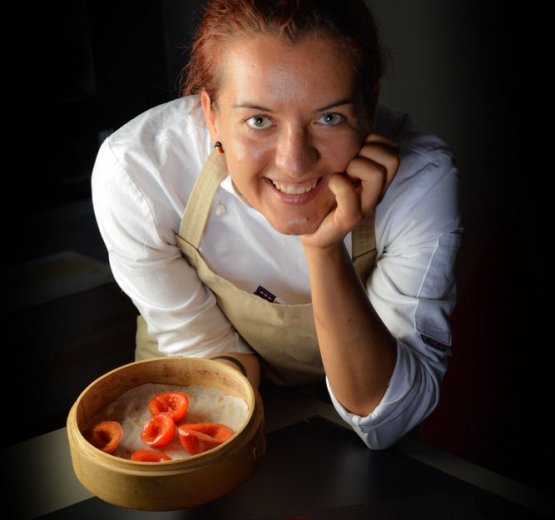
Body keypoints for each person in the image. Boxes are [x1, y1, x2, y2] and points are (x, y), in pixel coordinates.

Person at [91, 0, 461, 450]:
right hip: (197, 398)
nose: (295, 162)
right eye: (258, 120)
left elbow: (388, 412)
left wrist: (323, 248)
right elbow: (209, 360)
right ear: (209, 114)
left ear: (370, 104)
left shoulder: (420, 181)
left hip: (347, 433)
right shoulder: (140, 171)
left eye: (329, 118)